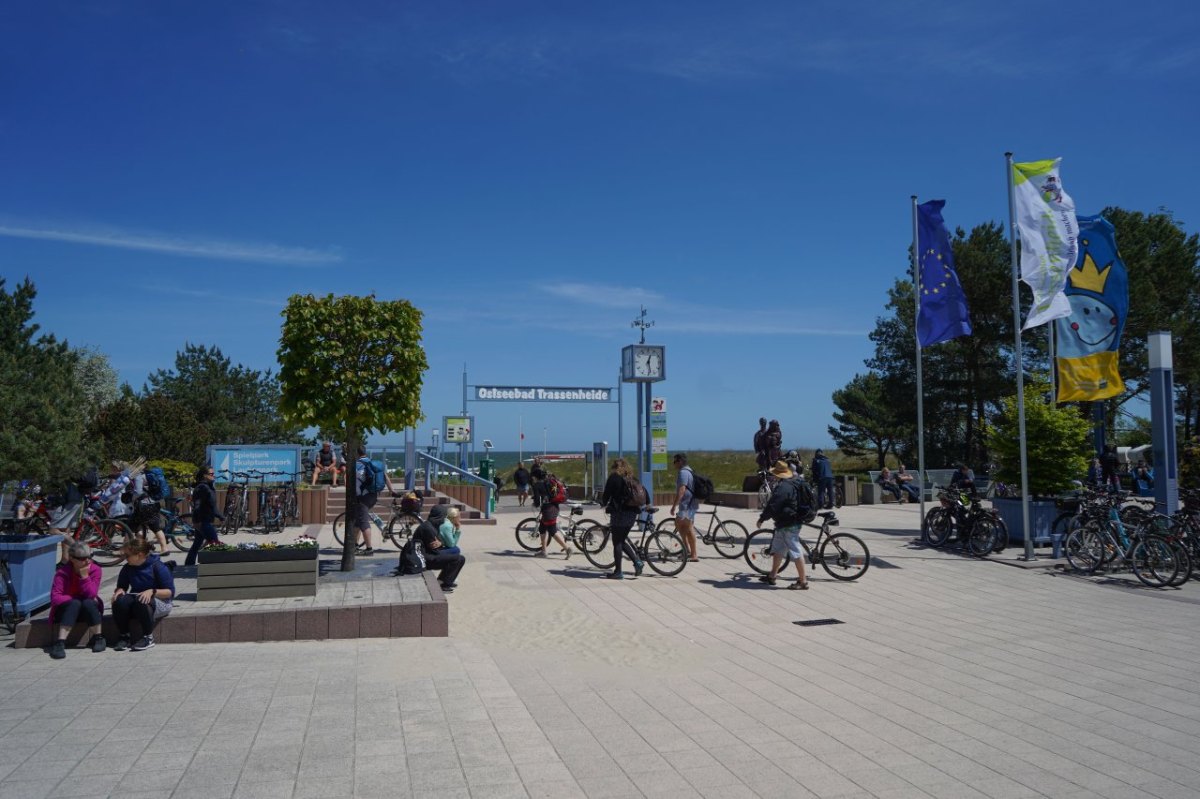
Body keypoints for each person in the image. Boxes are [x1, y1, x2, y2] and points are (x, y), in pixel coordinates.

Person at [111, 538, 174, 651]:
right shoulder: (127, 568)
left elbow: (169, 592)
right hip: (138, 599)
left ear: (139, 555)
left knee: (141, 601)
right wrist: (119, 590)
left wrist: (152, 591)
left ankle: (148, 637)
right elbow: (122, 586)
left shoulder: (157, 566)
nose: (125, 557)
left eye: (127, 555)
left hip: (161, 601)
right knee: (119, 601)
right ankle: (124, 636)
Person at [756, 460, 810, 589]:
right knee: (778, 549)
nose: (773, 476)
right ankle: (772, 575)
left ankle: (803, 581)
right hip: (784, 523)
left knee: (795, 551)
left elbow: (773, 505)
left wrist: (762, 518)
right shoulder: (791, 482)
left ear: (779, 474)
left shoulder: (784, 487)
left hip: (789, 523)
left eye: (774, 474)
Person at [48, 541, 105, 659]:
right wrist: (75, 599)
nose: (87, 561)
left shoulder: (95, 570)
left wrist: (85, 577)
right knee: (75, 603)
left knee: (88, 602)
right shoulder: (62, 573)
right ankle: (60, 642)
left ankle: (99, 637)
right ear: (72, 559)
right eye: (82, 558)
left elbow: (92, 594)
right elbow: (55, 598)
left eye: (89, 557)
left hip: (86, 610)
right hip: (67, 611)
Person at [600, 458, 644, 579]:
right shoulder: (632, 478)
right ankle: (637, 562)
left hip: (619, 514)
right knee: (622, 540)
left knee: (617, 543)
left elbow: (605, 497)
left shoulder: (614, 478)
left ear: (614, 467)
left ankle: (618, 571)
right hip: (632, 514)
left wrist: (602, 503)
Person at [352, 447, 395, 556]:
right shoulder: (373, 463)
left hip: (363, 497)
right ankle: (355, 545)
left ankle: (369, 549)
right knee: (358, 520)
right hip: (373, 495)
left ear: (356, 453)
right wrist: (391, 490)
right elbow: (385, 477)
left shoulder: (356, 465)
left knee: (364, 523)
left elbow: (349, 480)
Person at [412, 504, 465, 592]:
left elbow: (436, 545)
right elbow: (434, 550)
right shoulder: (428, 528)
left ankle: (445, 581)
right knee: (457, 558)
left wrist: (440, 543)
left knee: (458, 557)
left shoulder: (430, 525)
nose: (444, 519)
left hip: (427, 554)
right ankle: (442, 583)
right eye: (444, 517)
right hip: (425, 559)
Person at [186, 465, 223, 567]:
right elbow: (198, 504)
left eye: (213, 474)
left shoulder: (209, 486)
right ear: (204, 476)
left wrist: (219, 516)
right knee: (215, 542)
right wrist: (198, 521)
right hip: (202, 520)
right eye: (211, 474)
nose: (213, 476)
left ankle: (189, 564)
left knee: (197, 543)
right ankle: (214, 565)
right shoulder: (202, 488)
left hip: (204, 519)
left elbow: (212, 505)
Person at [534, 474, 574, 559]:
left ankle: (567, 549)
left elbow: (537, 501)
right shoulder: (548, 482)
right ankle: (544, 551)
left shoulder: (537, 485)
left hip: (548, 510)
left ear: (535, 477)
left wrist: (535, 503)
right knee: (542, 528)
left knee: (552, 531)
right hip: (554, 507)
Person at [670, 453, 700, 562]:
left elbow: (681, 491)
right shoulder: (689, 470)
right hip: (690, 504)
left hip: (687, 504)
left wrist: (674, 506)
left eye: (675, 461)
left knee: (687, 526)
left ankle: (693, 554)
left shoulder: (683, 472)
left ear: (680, 461)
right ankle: (687, 550)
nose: (673, 464)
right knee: (683, 526)